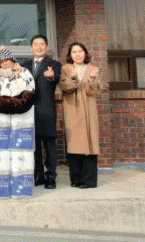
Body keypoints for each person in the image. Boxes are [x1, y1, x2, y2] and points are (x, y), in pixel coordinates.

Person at [21, 35, 61, 190]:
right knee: (34, 146)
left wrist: (51, 77)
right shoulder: (24, 66)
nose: (39, 47)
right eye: (35, 44)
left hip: (46, 110)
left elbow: (55, 79)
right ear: (31, 48)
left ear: (47, 47)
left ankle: (51, 177)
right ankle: (38, 175)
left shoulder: (54, 64)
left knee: (50, 146)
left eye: (42, 44)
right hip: (29, 111)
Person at [58, 42, 101, 189]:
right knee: (74, 143)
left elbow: (93, 91)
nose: (78, 54)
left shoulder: (92, 69)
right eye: (74, 52)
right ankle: (76, 179)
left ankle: (89, 180)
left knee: (89, 143)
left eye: (80, 51)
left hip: (88, 109)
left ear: (85, 53)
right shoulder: (65, 69)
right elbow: (64, 87)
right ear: (70, 55)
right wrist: (73, 78)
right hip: (72, 109)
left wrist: (93, 78)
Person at [0, 48, 36, 112]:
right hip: (2, 112)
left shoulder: (23, 71)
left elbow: (29, 90)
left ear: (12, 60)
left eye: (7, 60)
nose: (5, 64)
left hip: (23, 111)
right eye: (1, 62)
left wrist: (19, 74)